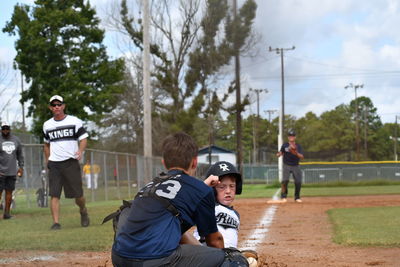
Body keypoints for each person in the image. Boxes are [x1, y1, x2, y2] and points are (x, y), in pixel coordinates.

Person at [112, 132, 248, 267]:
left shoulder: (148, 187)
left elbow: (180, 235)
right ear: (194, 162)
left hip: (119, 258)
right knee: (234, 260)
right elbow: (215, 241)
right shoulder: (200, 189)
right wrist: (225, 258)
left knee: (175, 234)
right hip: (157, 261)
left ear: (164, 163)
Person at [195, 161, 258, 267]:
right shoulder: (207, 206)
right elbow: (193, 197)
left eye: (232, 186)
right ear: (212, 190)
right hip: (205, 253)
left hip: (228, 255)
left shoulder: (235, 215)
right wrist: (205, 187)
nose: (228, 191)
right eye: (222, 187)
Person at [43, 95, 90, 230]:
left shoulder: (74, 121)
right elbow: (46, 144)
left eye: (59, 104)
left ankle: (83, 210)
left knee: (78, 195)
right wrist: (48, 160)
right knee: (54, 194)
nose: (57, 107)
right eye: (54, 105)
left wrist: (80, 151)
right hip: (55, 164)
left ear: (63, 106)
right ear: (50, 107)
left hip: (70, 162)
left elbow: (83, 138)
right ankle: (56, 223)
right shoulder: (47, 125)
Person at [0, 121, 24, 219]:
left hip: (12, 172)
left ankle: (7, 214)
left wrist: (21, 167)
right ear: (1, 129)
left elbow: (20, 155)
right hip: (1, 172)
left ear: (10, 129)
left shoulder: (16, 140)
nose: (5, 130)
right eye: (3, 128)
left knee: (9, 193)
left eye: (7, 128)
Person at [276, 130, 304, 202]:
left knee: (298, 182)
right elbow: (280, 153)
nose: (291, 137)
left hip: (296, 165)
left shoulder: (298, 146)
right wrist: (279, 154)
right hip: (286, 165)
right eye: (290, 136)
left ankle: (297, 197)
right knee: (285, 180)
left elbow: (302, 156)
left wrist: (295, 152)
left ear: (295, 137)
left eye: (293, 136)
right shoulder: (285, 145)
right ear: (288, 137)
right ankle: (283, 196)